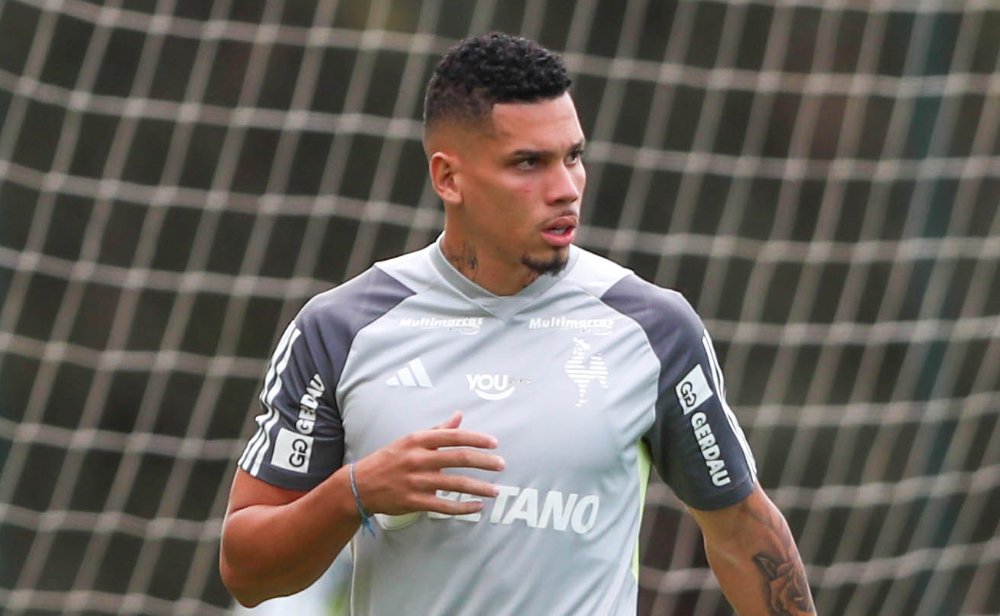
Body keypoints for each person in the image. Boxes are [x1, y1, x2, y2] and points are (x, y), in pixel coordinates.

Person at [220, 32, 816, 615]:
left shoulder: (652, 328)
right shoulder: (342, 330)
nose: (565, 189)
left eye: (574, 157)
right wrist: (353, 493)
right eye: (528, 163)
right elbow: (246, 573)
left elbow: (742, 534)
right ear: (448, 178)